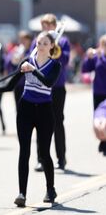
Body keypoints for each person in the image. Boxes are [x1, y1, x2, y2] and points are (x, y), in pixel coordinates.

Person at [0, 31, 61, 207]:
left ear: (51, 46)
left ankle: (50, 189)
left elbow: (48, 82)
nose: (41, 46)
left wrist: (33, 70)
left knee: (44, 153)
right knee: (24, 151)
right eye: (38, 43)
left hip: (45, 111)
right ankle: (22, 193)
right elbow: (9, 85)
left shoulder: (55, 65)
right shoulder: (27, 61)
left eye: (45, 43)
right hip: (26, 109)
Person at [33, 14, 70, 171]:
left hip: (57, 87)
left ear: (55, 26)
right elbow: (31, 57)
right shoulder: (39, 41)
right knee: (40, 123)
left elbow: (66, 60)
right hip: (41, 87)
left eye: (49, 25)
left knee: (57, 122)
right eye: (44, 25)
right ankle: (41, 159)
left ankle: (61, 158)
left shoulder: (62, 41)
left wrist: (56, 49)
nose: (46, 28)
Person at [81, 34, 106, 155]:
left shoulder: (101, 58)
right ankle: (102, 140)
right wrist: (88, 57)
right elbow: (85, 69)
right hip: (98, 92)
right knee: (99, 117)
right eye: (103, 45)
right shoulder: (97, 57)